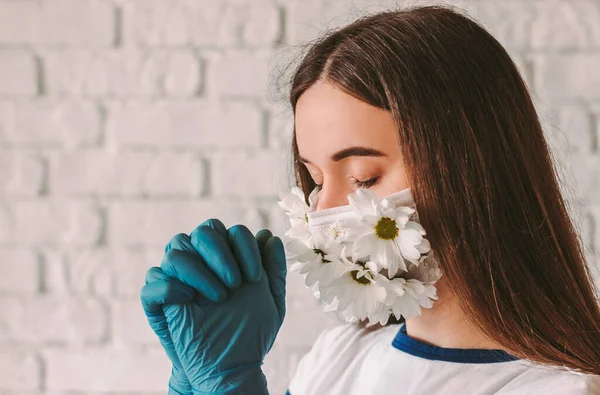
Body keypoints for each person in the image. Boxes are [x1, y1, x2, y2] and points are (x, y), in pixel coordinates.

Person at [139, 5, 600, 395]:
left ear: (473, 169)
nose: (322, 210)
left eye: (364, 177)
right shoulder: (340, 356)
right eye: (315, 179)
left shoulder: (561, 388)